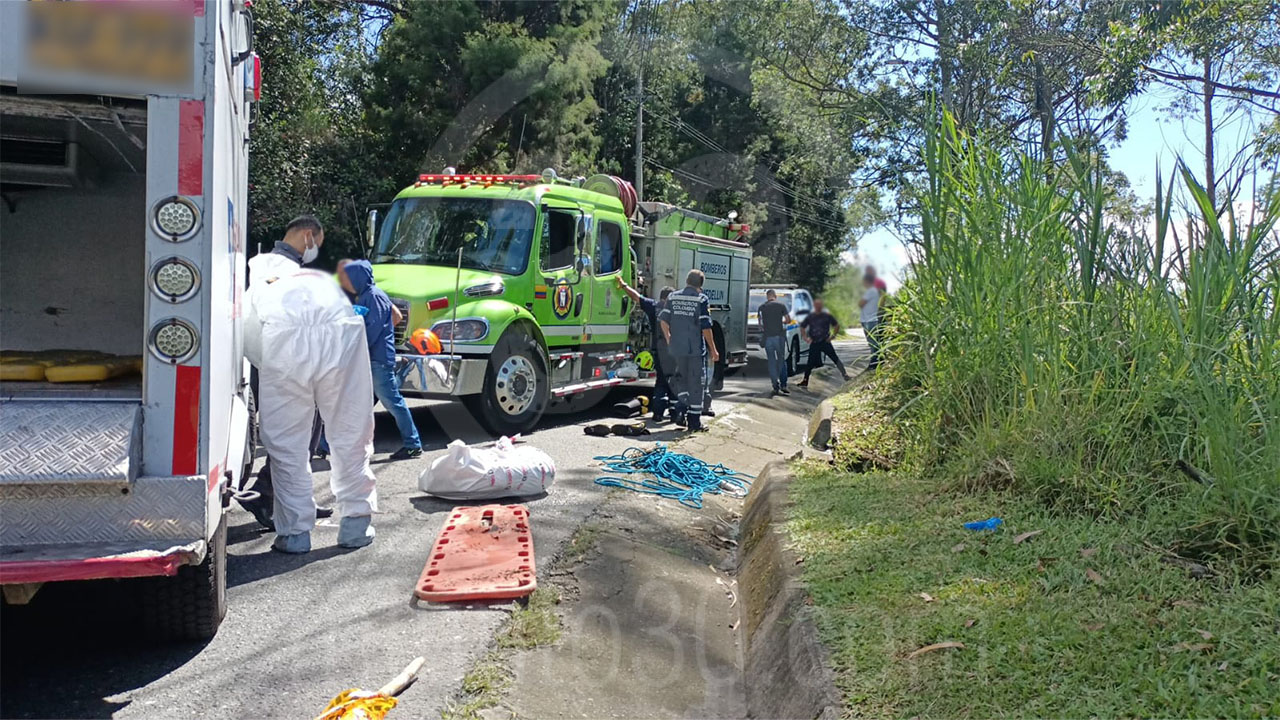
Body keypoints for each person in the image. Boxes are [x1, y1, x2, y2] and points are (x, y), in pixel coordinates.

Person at [244, 215, 379, 554]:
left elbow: (247, 329)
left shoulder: (258, 269)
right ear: (308, 236)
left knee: (287, 444)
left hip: (283, 342)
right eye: (318, 240)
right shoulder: (314, 279)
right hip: (340, 335)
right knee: (351, 431)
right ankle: (356, 523)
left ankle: (294, 534)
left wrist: (269, 364)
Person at [339, 260, 423, 459]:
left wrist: (352, 349)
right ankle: (328, 445)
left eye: (349, 278)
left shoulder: (373, 296)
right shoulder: (370, 294)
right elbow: (394, 317)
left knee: (392, 402)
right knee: (362, 404)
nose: (347, 283)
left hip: (377, 359)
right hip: (375, 358)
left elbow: (372, 330)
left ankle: (413, 444)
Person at [659, 269, 719, 431]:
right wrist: (713, 349)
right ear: (701, 285)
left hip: (677, 349)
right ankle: (694, 422)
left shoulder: (673, 296)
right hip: (694, 351)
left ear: (687, 281)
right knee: (697, 384)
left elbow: (663, 321)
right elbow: (706, 327)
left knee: (682, 382)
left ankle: (680, 411)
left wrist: (669, 337)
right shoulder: (701, 299)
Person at [615, 276, 676, 420]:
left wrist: (623, 285)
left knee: (661, 381)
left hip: (658, 351)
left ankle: (658, 413)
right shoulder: (675, 310)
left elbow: (636, 297)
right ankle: (675, 413)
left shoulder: (653, 306)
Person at [797, 297, 850, 388]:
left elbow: (836, 325)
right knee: (810, 363)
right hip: (814, 342)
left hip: (825, 341)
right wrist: (805, 337)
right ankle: (805, 380)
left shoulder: (827, 316)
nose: (818, 307)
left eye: (819, 305)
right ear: (814, 306)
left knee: (835, 358)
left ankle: (845, 374)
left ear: (821, 306)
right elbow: (802, 327)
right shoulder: (811, 316)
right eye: (816, 305)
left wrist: (832, 336)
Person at [757, 289, 792, 395]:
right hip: (779, 337)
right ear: (775, 296)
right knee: (781, 360)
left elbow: (760, 324)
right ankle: (784, 385)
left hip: (768, 338)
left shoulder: (762, 307)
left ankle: (775, 385)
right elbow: (788, 320)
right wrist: (780, 321)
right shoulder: (781, 305)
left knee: (771, 361)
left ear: (767, 296)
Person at [860, 267, 883, 371]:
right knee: (874, 341)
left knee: (872, 342)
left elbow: (861, 303)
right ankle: (879, 359)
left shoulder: (871, 291)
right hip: (869, 319)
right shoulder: (874, 291)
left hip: (870, 320)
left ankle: (874, 362)